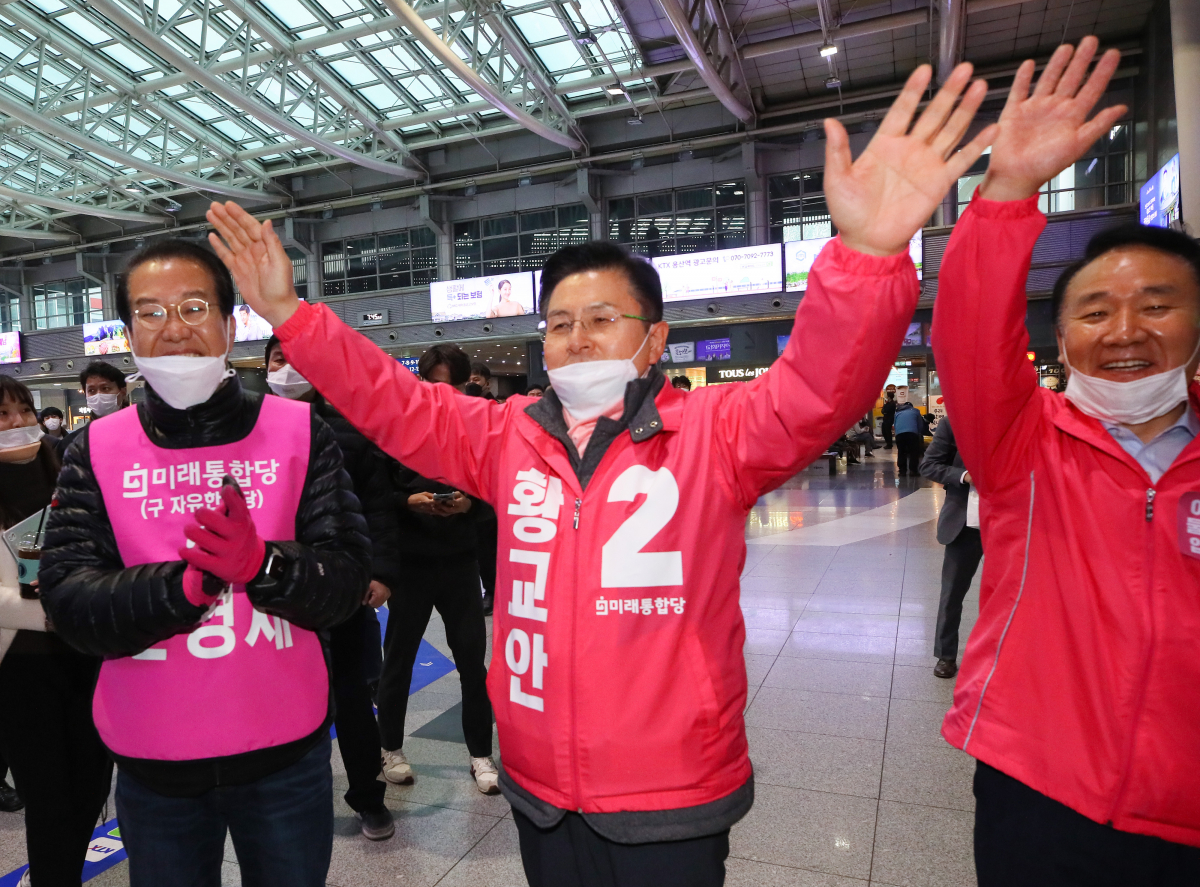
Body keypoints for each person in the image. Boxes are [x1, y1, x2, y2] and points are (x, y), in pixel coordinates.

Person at [207, 61, 995, 886]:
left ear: (654, 341)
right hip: (542, 788)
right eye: (558, 324)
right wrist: (294, 317)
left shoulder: (717, 432)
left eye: (602, 319)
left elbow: (816, 388)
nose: (577, 338)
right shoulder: (507, 436)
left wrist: (867, 255)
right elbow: (397, 403)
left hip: (672, 792)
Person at [933, 38, 1200, 885]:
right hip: (1038, 784)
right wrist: (1007, 192)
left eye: (1157, 305)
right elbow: (971, 338)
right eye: (1095, 310)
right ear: (1063, 336)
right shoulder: (1026, 442)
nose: (1124, 330)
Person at [38, 240, 371, 887]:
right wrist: (179, 588)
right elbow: (68, 601)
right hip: (153, 761)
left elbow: (348, 577)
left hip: (284, 753)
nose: (174, 328)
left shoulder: (300, 431)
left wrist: (265, 565)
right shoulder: (95, 448)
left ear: (229, 320)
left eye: (193, 307)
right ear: (129, 329)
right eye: (151, 312)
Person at [265, 335, 399, 841]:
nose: (288, 369)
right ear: (265, 366)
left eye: (297, 361)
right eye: (279, 360)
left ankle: (368, 797)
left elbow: (378, 508)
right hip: (271, 596)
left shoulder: (347, 432)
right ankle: (292, 802)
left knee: (351, 698)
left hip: (339, 590)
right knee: (282, 704)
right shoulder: (246, 435)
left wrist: (381, 573)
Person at [0, 376, 113, 887]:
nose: (19, 423)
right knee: (47, 795)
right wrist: (54, 610)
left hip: (85, 655)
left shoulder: (70, 472)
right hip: (18, 666)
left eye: (23, 411)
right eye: (3, 416)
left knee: (92, 782)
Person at [373, 343, 499, 794]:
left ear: (464, 384)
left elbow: (495, 493)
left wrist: (469, 503)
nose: (439, 392)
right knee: (398, 662)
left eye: (449, 383)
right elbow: (378, 495)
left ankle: (481, 755)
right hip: (410, 564)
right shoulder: (397, 429)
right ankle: (390, 748)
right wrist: (409, 500)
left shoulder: (475, 429)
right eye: (432, 382)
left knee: (471, 664)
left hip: (460, 564)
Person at [917, 415, 980, 679]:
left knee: (1013, 597)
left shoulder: (1020, 421)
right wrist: (964, 476)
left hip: (1011, 524)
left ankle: (1011, 656)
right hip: (963, 522)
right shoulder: (955, 423)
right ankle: (946, 655)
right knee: (952, 593)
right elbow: (929, 465)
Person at [58, 361, 130, 458]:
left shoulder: (143, 434)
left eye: (105, 388)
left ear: (123, 392)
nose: (98, 394)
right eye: (91, 391)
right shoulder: (74, 442)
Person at [892, 390, 930, 476]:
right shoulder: (915, 411)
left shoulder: (897, 413)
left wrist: (897, 434)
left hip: (900, 435)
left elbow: (895, 424)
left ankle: (902, 471)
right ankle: (913, 471)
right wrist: (919, 433)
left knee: (901, 452)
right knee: (913, 452)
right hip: (912, 434)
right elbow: (920, 424)